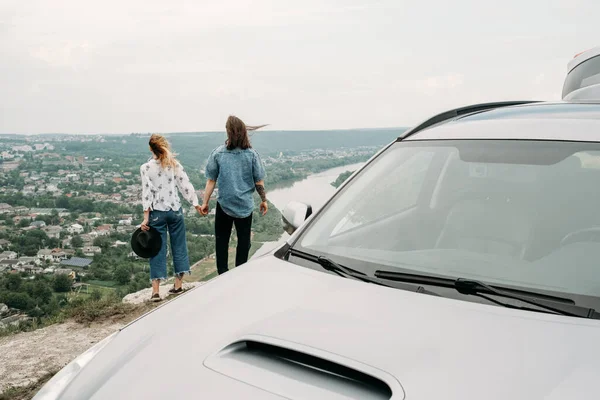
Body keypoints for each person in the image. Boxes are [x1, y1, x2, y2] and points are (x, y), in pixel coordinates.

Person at [200, 116, 268, 275]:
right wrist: (264, 200)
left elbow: (211, 181)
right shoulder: (252, 154)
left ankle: (222, 274)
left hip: (224, 205)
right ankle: (240, 274)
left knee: (221, 242)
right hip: (245, 206)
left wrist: (205, 203)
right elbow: (259, 182)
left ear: (228, 132)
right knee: (244, 243)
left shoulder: (218, 153)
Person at [140, 134, 202, 302]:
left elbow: (147, 194)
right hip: (175, 211)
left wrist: (146, 218)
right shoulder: (173, 165)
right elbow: (185, 185)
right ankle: (178, 285)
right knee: (179, 246)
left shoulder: (145, 168)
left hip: (157, 213)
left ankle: (156, 292)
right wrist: (196, 204)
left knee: (157, 250)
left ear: (151, 149)